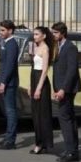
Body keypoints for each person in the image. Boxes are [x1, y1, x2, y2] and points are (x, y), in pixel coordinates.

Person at [51, 21, 81, 162]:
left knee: (65, 118)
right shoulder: (58, 46)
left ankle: (71, 152)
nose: (54, 35)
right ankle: (72, 149)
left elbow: (71, 70)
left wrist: (63, 89)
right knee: (68, 118)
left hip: (67, 88)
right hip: (61, 87)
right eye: (53, 32)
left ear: (63, 33)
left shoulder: (70, 47)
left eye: (56, 32)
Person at [29, 26, 54, 154]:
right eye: (34, 34)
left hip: (41, 82)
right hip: (34, 78)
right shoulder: (35, 47)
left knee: (42, 114)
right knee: (35, 114)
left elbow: (44, 71)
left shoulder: (45, 49)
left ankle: (44, 143)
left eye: (37, 34)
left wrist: (38, 88)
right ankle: (39, 142)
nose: (35, 37)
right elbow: (33, 67)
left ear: (44, 36)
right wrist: (30, 86)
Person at [0, 20, 20, 150]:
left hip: (10, 83)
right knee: (7, 110)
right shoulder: (4, 43)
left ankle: (11, 140)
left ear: (10, 31)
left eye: (3, 30)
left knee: (11, 111)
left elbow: (10, 65)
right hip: (4, 81)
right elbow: (2, 64)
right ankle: (7, 137)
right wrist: (0, 81)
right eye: (0, 30)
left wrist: (4, 82)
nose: (0, 33)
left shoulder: (12, 44)